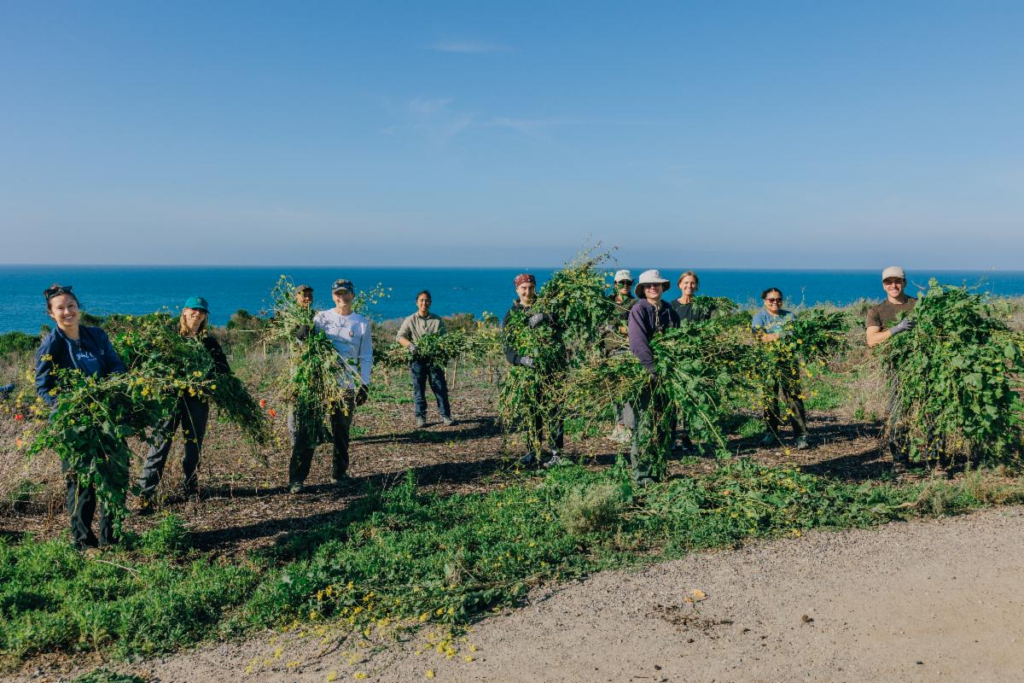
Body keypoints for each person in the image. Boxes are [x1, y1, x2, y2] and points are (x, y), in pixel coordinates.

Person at [34, 284, 128, 550]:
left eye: (71, 306)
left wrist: (109, 387)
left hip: (108, 417)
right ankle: (83, 542)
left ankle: (112, 539)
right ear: (51, 314)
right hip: (75, 425)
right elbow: (44, 386)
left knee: (115, 476)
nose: (68, 312)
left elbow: (116, 363)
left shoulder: (96, 336)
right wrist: (68, 406)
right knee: (82, 482)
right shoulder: (52, 345)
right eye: (60, 308)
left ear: (78, 307)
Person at [137, 297, 229, 510]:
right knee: (159, 445)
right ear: (185, 311)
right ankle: (144, 494)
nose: (197, 314)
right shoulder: (170, 338)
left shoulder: (208, 342)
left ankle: (191, 489)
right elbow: (154, 365)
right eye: (193, 310)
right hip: (170, 399)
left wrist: (207, 381)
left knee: (193, 446)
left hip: (197, 400)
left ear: (205, 316)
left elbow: (223, 370)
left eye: (202, 311)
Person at [288, 278, 372, 494]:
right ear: (333, 296)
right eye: (337, 294)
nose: (341, 297)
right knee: (307, 429)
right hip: (319, 383)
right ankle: (297, 479)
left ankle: (339, 473)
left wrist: (365, 384)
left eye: (345, 293)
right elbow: (307, 344)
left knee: (341, 430)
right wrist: (301, 337)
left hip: (346, 385)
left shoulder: (361, 323)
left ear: (352, 295)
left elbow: (365, 355)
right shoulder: (322, 318)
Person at [502, 273, 564, 467]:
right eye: (524, 288)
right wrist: (521, 359)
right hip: (528, 372)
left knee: (554, 409)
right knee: (532, 411)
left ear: (535, 287)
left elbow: (563, 323)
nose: (528, 291)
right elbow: (508, 346)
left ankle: (556, 453)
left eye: (530, 287)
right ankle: (533, 451)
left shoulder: (547, 306)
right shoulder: (512, 314)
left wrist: (545, 316)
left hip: (552, 368)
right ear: (517, 290)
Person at [627, 269, 681, 484]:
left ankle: (659, 469)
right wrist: (651, 370)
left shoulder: (669, 310)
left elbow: (678, 339)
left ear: (662, 287)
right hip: (645, 374)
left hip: (667, 374)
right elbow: (639, 344)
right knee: (645, 424)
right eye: (648, 286)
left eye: (656, 285)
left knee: (664, 423)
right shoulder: (639, 309)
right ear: (642, 290)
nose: (652, 288)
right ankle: (642, 474)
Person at [751, 288, 809, 450]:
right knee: (770, 398)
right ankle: (771, 433)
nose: (775, 302)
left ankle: (801, 435)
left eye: (778, 299)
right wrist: (781, 335)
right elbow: (760, 337)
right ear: (764, 301)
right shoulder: (759, 317)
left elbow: (796, 336)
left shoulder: (790, 316)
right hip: (768, 363)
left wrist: (772, 336)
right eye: (771, 300)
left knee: (794, 398)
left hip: (788, 363)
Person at [397, 290, 454, 428]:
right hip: (417, 359)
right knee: (419, 389)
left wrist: (443, 349)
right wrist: (411, 346)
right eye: (421, 300)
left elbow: (444, 338)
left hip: (434, 359)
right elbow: (400, 337)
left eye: (427, 300)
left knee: (439, 387)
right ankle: (420, 417)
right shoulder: (410, 319)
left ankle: (445, 416)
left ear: (430, 302)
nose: (424, 303)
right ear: (417, 302)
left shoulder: (436, 320)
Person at [668, 271, 711, 452]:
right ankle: (670, 437)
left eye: (692, 283)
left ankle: (685, 437)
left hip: (694, 360)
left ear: (697, 286)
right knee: (671, 400)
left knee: (689, 399)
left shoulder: (702, 307)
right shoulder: (670, 306)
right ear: (679, 285)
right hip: (674, 358)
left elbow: (706, 332)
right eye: (686, 283)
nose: (689, 286)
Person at [607, 270, 637, 443]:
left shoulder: (635, 303)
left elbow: (635, 328)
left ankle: (629, 427)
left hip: (626, 350)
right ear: (615, 284)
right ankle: (619, 425)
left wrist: (617, 329)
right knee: (616, 392)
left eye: (628, 283)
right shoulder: (606, 302)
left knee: (628, 390)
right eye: (621, 283)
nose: (625, 286)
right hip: (610, 352)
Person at [866, 266, 917, 347]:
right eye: (888, 282)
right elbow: (871, 341)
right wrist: (897, 328)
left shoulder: (918, 305)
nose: (893, 286)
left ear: (905, 283)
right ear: (883, 286)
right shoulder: (876, 311)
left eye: (897, 281)